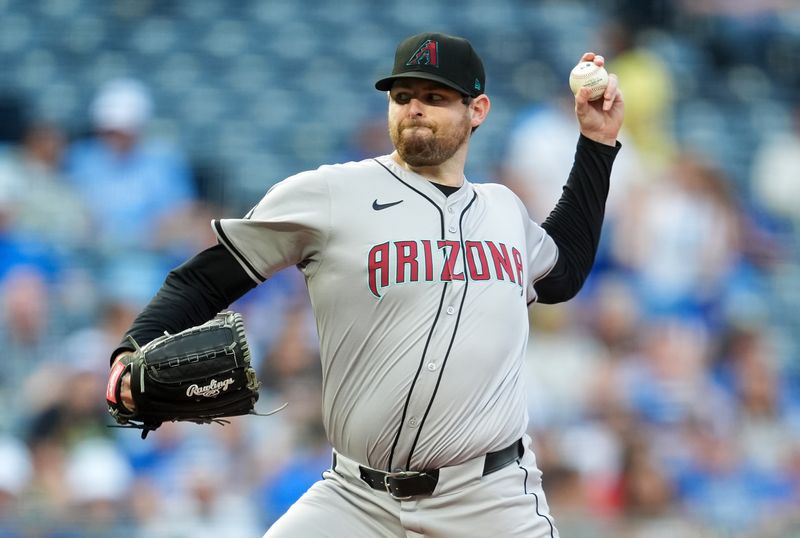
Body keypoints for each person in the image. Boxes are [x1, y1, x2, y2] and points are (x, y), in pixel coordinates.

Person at [109, 31, 624, 537]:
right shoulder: (330, 194)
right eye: (402, 97)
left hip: (488, 501)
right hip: (357, 499)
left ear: (478, 110)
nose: (414, 108)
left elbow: (564, 273)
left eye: (435, 97)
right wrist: (133, 348)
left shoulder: (504, 210)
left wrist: (597, 144)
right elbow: (204, 278)